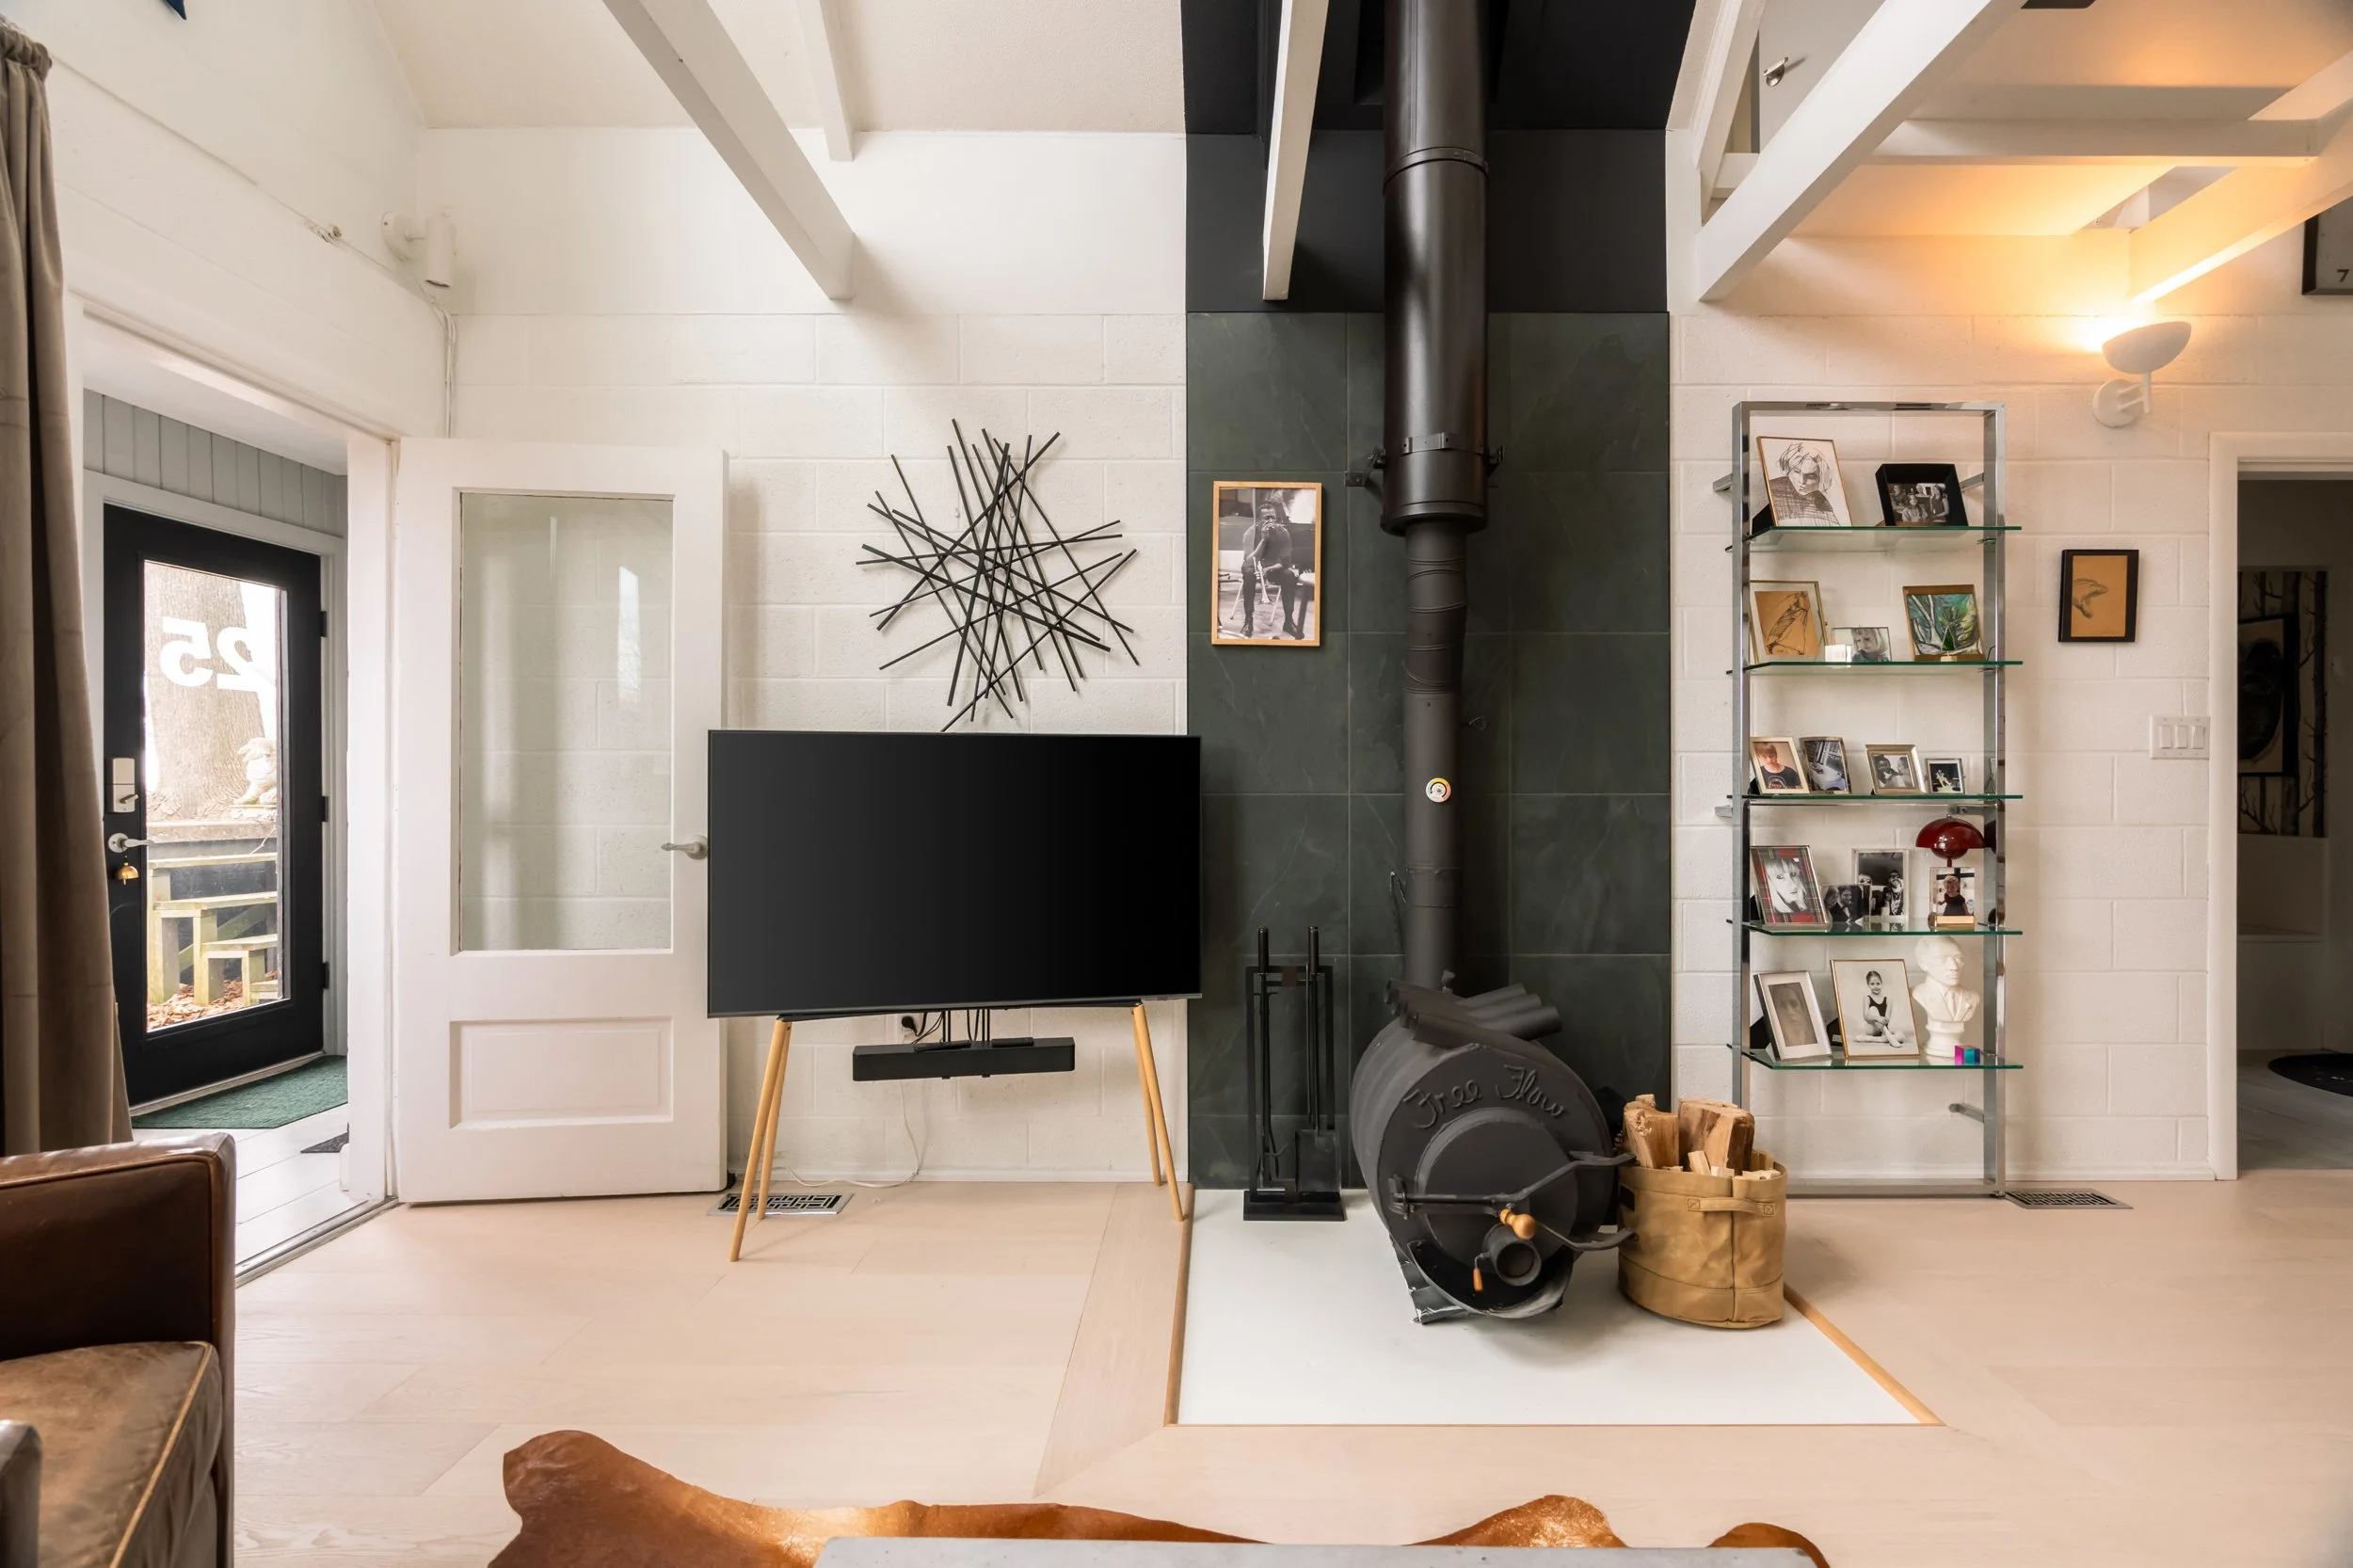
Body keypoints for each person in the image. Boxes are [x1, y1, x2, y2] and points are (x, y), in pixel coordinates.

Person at [1766, 442, 1841, 524]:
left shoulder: (1820, 500)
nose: (1802, 481)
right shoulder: (1775, 489)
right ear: (1788, 469)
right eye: (1797, 471)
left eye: (1810, 476)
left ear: (1821, 478)